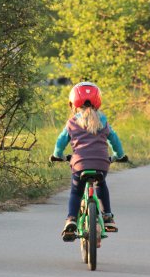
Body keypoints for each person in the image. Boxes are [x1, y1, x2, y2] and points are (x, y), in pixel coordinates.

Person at [50, 82, 127, 241]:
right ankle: (107, 217)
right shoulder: (103, 120)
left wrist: (57, 154)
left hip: (79, 164)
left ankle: (71, 219)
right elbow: (115, 140)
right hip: (101, 163)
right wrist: (119, 155)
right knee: (101, 184)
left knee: (76, 192)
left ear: (73, 102)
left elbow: (60, 142)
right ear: (98, 101)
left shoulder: (72, 122)